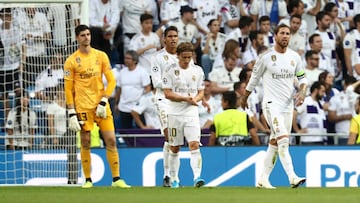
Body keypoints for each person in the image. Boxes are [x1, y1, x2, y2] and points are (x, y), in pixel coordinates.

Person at [240, 24, 307, 189]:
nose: (285, 36)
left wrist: (303, 91)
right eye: (282, 33)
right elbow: (254, 79)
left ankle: (263, 179)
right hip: (271, 105)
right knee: (284, 139)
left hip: (287, 106)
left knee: (275, 143)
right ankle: (292, 177)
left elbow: (303, 78)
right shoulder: (266, 57)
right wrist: (245, 97)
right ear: (275, 36)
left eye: (288, 34)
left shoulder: (294, 57)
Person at [64, 24, 130, 188]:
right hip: (83, 107)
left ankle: (116, 179)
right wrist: (72, 112)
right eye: (83, 35)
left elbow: (112, 80)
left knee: (111, 140)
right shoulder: (71, 61)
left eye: (88, 34)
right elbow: (68, 89)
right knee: (85, 142)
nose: (86, 37)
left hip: (101, 105)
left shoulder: (101, 56)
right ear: (77, 38)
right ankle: (87, 180)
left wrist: (104, 99)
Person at [162, 42, 205, 188]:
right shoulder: (169, 70)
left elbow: (201, 92)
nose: (187, 60)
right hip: (174, 113)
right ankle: (174, 178)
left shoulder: (198, 71)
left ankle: (197, 177)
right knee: (175, 147)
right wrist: (185, 99)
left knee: (194, 144)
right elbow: (167, 93)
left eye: (189, 57)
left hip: (191, 113)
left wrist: (195, 100)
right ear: (178, 56)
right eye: (184, 57)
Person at [150, 25, 179, 187]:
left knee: (175, 141)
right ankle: (168, 175)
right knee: (170, 136)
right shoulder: (157, 57)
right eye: (170, 36)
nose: (173, 39)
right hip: (163, 100)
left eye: (175, 36)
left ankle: (172, 177)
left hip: (179, 102)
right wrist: (176, 83)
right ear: (164, 39)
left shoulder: (184, 56)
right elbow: (156, 82)